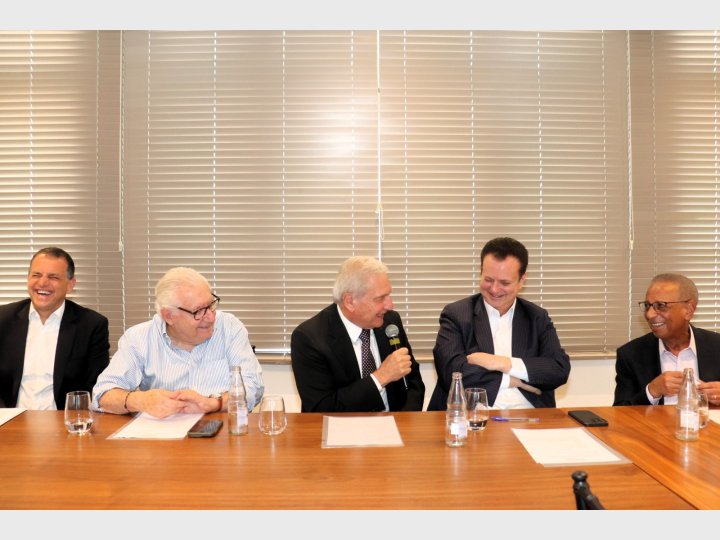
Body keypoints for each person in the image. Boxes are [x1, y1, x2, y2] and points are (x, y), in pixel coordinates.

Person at [92, 267, 263, 418]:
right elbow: (102, 394)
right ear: (168, 316)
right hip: (163, 437)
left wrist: (213, 404)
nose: (211, 317)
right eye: (198, 311)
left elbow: (253, 388)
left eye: (211, 305)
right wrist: (141, 400)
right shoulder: (139, 338)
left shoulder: (229, 327)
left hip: (222, 432)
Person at [428, 237, 570, 410]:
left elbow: (558, 369)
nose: (494, 289)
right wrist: (511, 380)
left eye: (504, 282)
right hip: (470, 416)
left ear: (522, 280)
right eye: (488, 279)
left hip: (530, 416)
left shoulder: (537, 317)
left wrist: (503, 363)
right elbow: (451, 372)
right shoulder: (457, 314)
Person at [291, 256, 425, 412]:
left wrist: (403, 420)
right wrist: (380, 377)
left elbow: (413, 381)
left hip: (395, 422)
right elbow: (321, 408)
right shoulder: (310, 338)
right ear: (349, 301)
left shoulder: (390, 321)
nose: (390, 305)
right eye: (380, 298)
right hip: (342, 426)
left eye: (389, 295)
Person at [0, 247, 110, 410]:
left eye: (53, 277)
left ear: (70, 284)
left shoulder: (91, 325)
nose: (42, 283)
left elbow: (96, 386)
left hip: (63, 419)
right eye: (36, 275)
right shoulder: (3, 319)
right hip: (11, 419)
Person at [614, 273, 720, 407]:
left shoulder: (717, 346)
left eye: (660, 305)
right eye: (647, 305)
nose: (649, 314)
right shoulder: (631, 354)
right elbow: (620, 412)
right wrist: (652, 391)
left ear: (688, 310)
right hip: (655, 422)